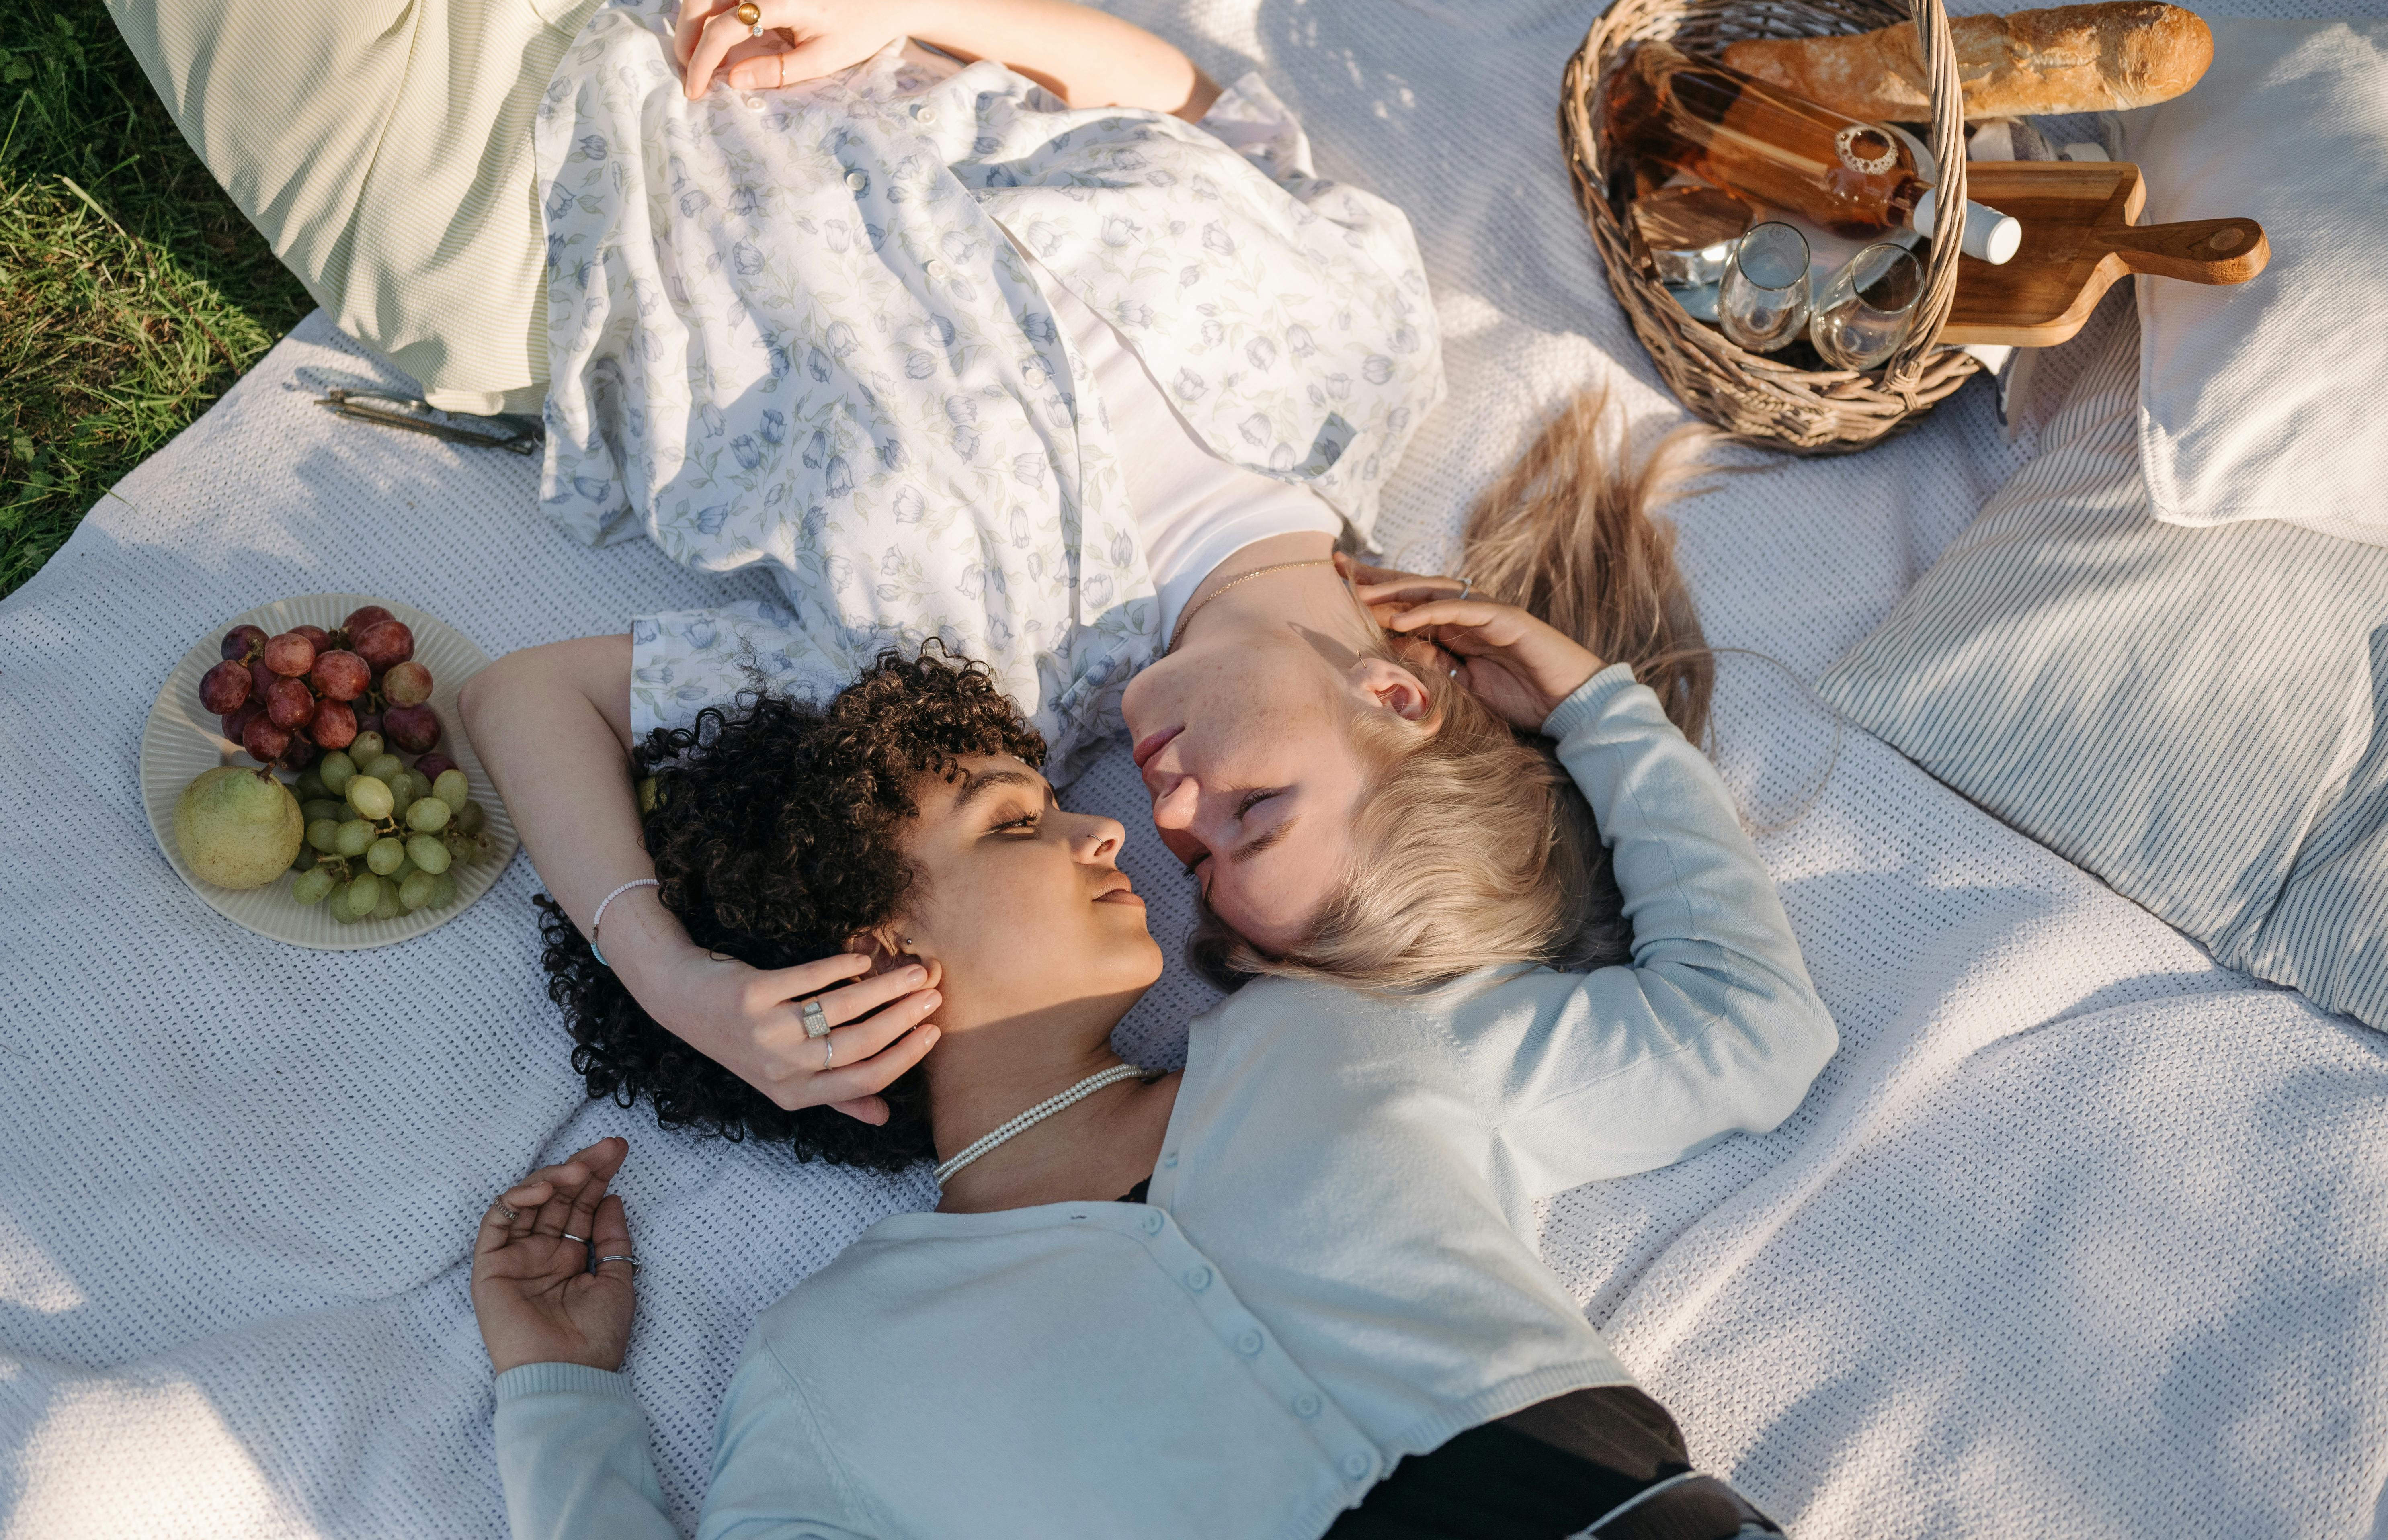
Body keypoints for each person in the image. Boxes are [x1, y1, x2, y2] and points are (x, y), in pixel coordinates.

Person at [467, 0, 1720, 1110]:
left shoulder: (973, 699)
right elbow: (1200, 111)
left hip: (530, 156)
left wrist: (669, 981)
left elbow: (527, 699)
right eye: (1256, 811)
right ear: (1394, 698)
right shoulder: (1366, 369)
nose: (1173, 814)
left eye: (1206, 867)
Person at [470, 605, 1831, 1538]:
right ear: (870, 947)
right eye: (1015, 823)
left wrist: (1603, 714)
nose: (1112, 833)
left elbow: (1747, 1028)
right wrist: (562, 1398)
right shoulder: (829, 1361)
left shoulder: (1347, 1031)